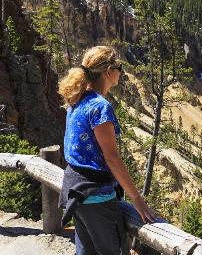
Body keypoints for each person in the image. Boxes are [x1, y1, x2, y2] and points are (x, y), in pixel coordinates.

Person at [58, 46, 155, 255]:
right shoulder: (100, 107)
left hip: (75, 191)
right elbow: (111, 158)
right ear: (108, 72)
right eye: (119, 67)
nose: (121, 72)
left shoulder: (76, 99)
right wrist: (137, 199)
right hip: (96, 196)